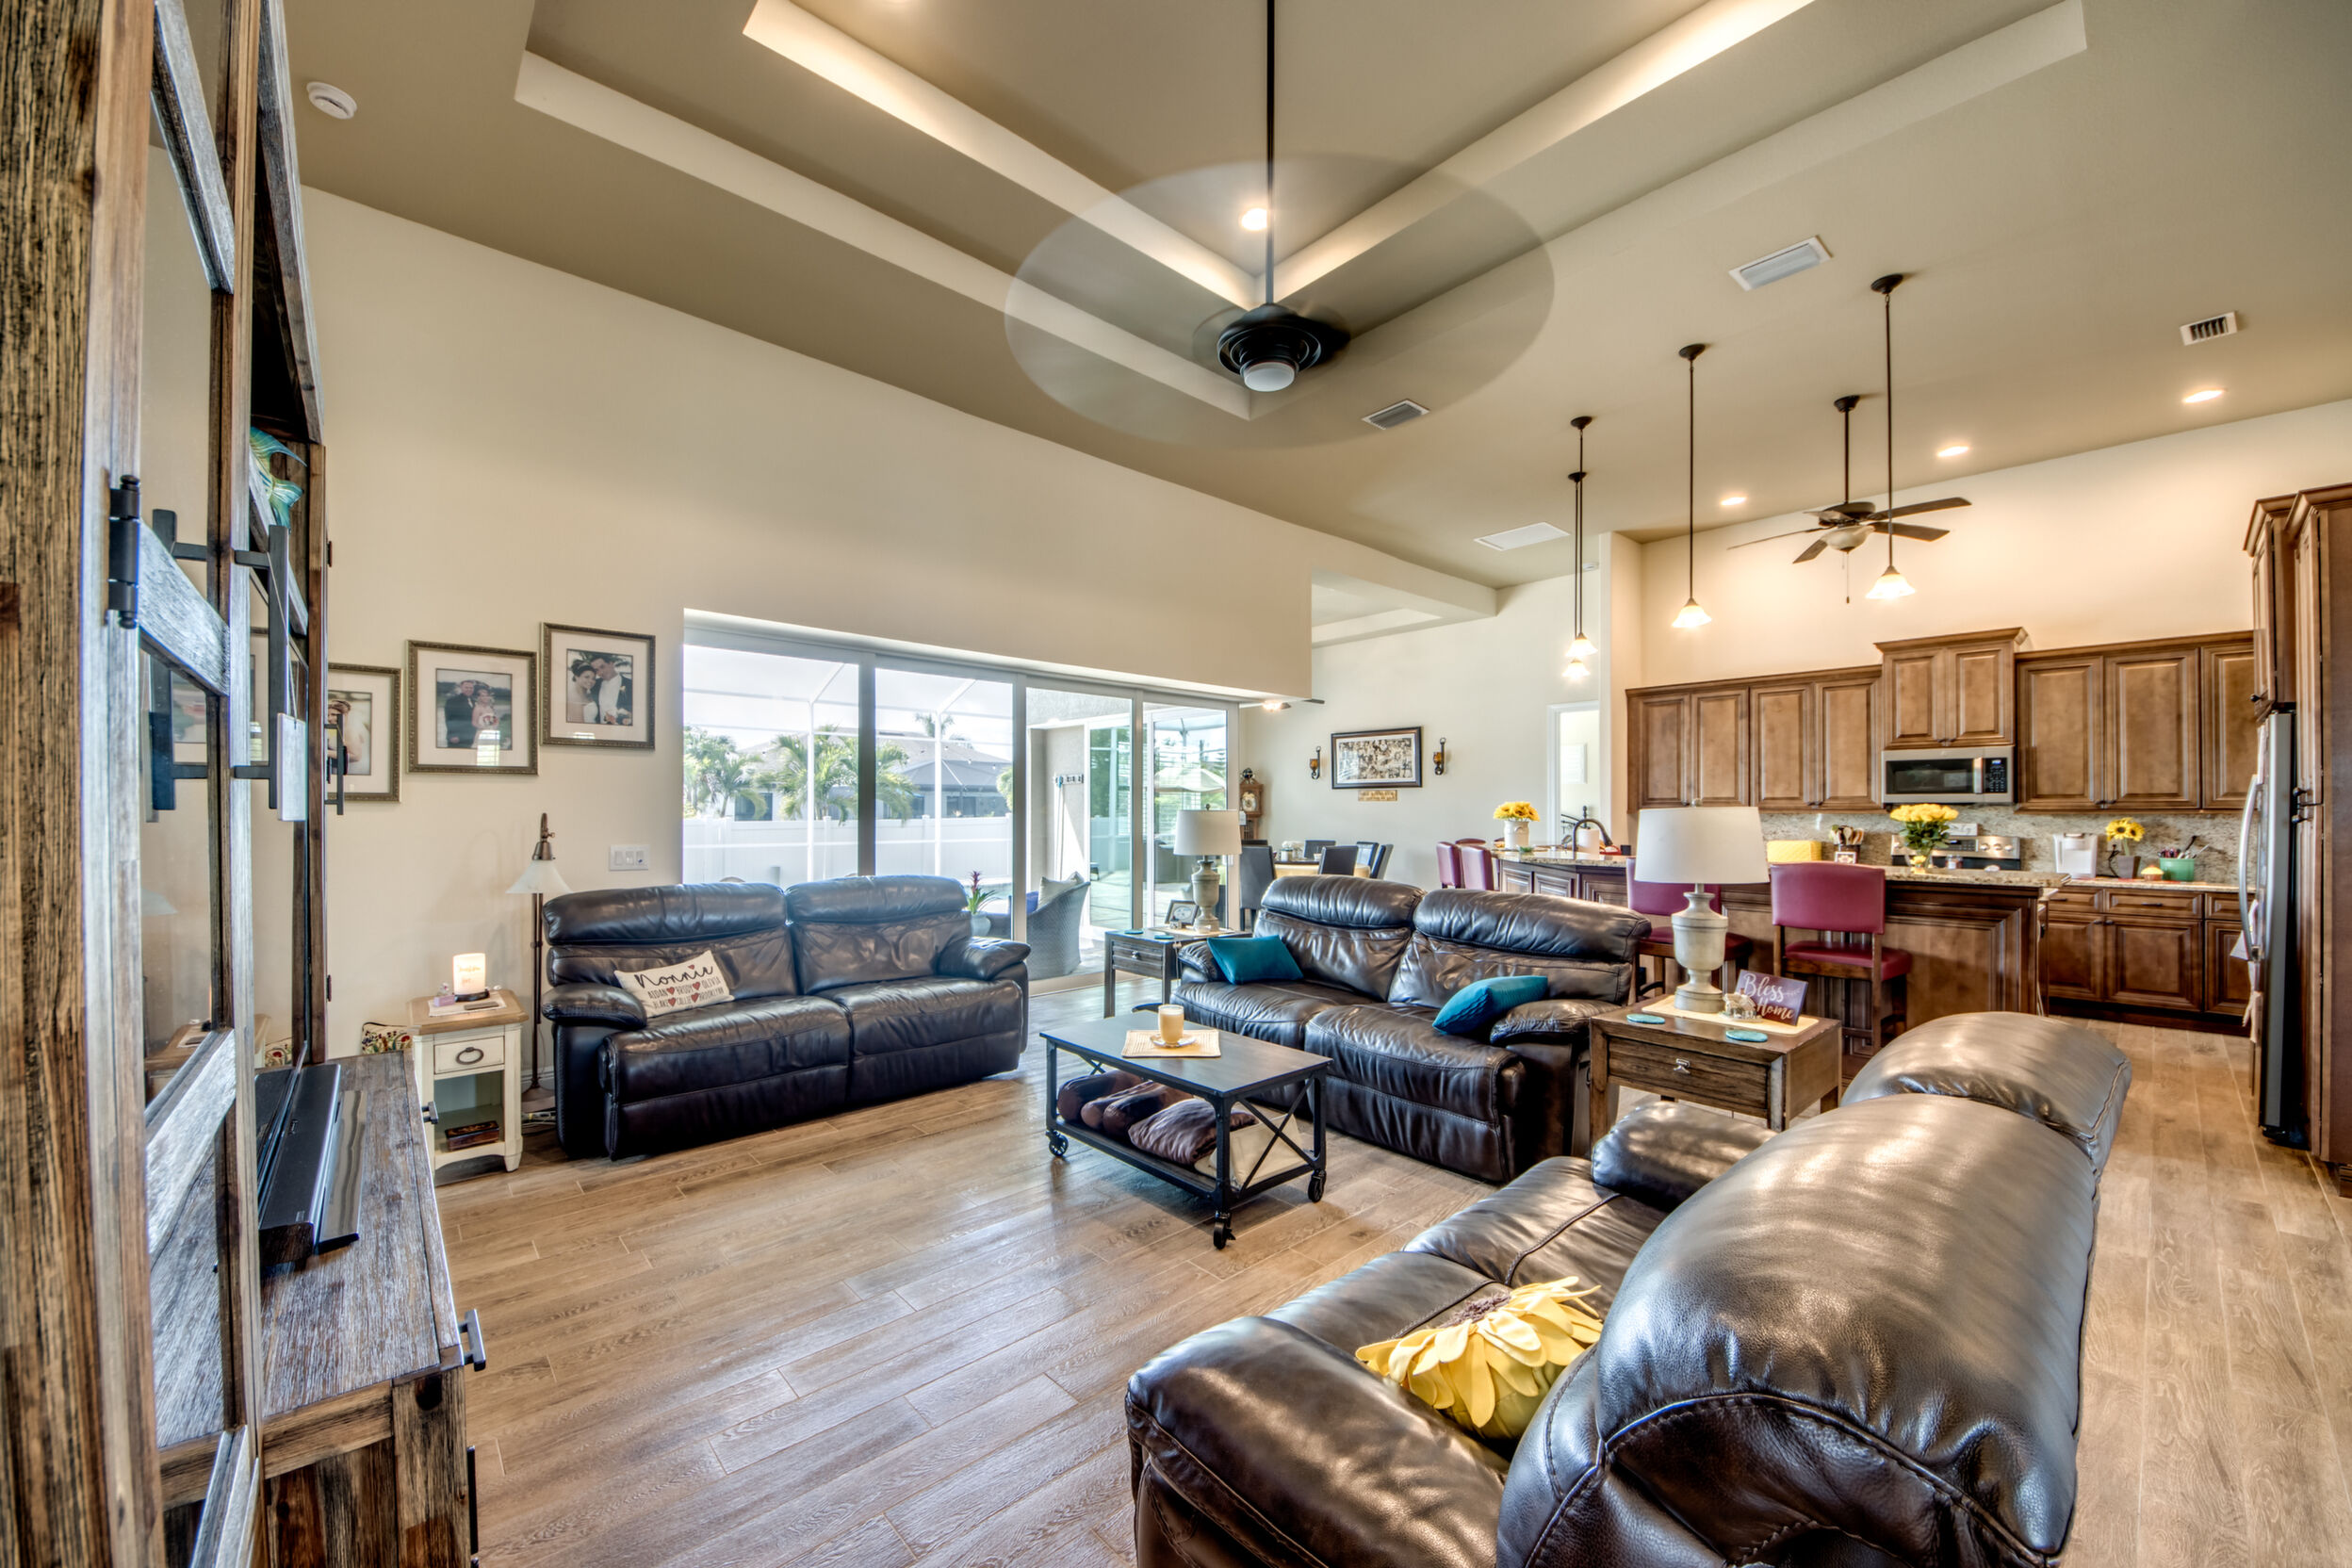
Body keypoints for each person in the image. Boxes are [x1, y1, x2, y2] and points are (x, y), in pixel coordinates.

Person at [442, 678, 479, 746]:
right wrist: (453, 735)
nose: (469, 689)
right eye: (466, 687)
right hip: (457, 738)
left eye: (471, 688)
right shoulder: (452, 701)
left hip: (471, 737)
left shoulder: (474, 701)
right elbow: (449, 719)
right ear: (461, 688)